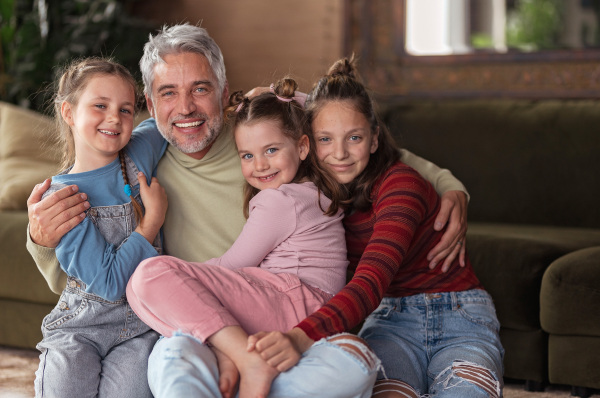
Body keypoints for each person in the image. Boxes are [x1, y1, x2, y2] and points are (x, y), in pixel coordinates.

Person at [26, 24, 470, 397]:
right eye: (168, 93)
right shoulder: (140, 149)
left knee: (353, 365)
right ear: (149, 100)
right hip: (195, 320)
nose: (185, 108)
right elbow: (91, 268)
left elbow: (352, 143)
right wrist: (41, 238)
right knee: (165, 363)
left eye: (201, 89)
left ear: (223, 91)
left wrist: (447, 184)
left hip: (278, 312)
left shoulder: (261, 138)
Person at [254, 56, 503, 398]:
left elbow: (370, 282)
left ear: (373, 140)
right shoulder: (313, 195)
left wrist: (298, 338)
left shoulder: (401, 185)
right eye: (325, 139)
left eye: (353, 138)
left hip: (460, 316)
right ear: (307, 143)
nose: (339, 153)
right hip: (390, 322)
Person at [126, 77, 379, 398]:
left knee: (151, 275)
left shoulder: (281, 201)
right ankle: (231, 351)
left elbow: (233, 265)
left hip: (296, 303)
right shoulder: (311, 190)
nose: (259, 165)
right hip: (302, 306)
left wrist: (186, 277)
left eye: (271, 150)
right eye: (247, 155)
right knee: (153, 287)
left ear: (303, 146)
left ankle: (243, 357)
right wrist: (281, 97)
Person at [33, 57, 168, 398]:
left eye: (126, 109)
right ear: (68, 113)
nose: (115, 118)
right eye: (100, 106)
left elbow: (178, 117)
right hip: (81, 327)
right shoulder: (61, 198)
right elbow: (108, 284)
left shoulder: (140, 150)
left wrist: (252, 99)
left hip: (142, 326)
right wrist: (151, 223)